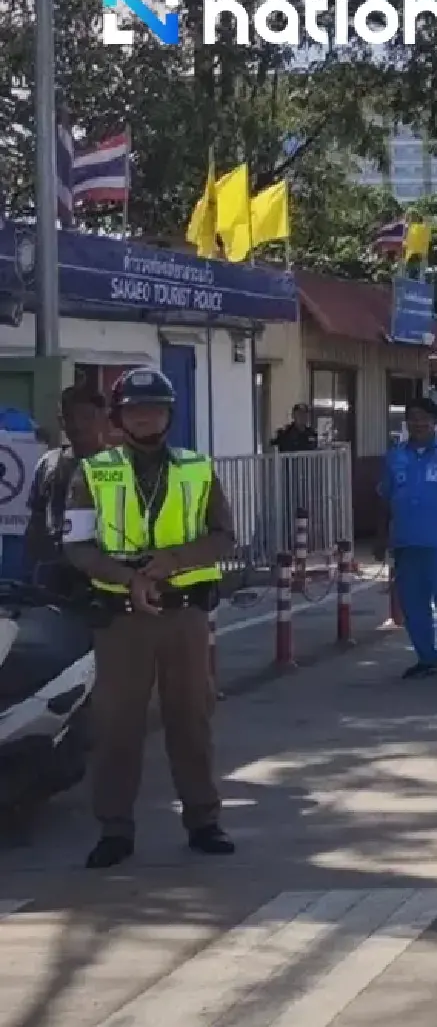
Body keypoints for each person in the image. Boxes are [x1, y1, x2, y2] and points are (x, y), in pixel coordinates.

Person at [62, 367, 237, 869]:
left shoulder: (196, 469)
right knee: (117, 724)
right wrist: (128, 578)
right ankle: (115, 828)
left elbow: (224, 536)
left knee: (192, 718)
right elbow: (77, 546)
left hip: (183, 615)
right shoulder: (93, 472)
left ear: (170, 416)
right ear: (119, 417)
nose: (146, 418)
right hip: (121, 619)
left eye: (155, 409)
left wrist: (174, 561)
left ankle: (203, 820)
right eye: (136, 410)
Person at [375, 398, 437, 680]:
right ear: (406, 423)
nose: (418, 423)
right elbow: (385, 497)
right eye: (413, 418)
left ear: (434, 422)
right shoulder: (396, 456)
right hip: (406, 542)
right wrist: (381, 535)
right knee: (412, 603)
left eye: (424, 418)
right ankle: (426, 658)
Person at [25, 385, 109, 601]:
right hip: (52, 580)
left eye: (86, 417)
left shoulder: (118, 466)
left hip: (104, 579)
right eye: (69, 417)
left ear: (103, 417)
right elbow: (36, 519)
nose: (77, 425)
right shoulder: (49, 463)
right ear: (61, 421)